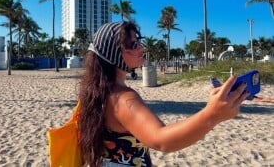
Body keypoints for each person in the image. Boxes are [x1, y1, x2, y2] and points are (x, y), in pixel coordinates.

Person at [78, 21, 249, 167]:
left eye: (139, 42)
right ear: (113, 53)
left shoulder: (98, 92)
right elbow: (161, 140)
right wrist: (212, 115)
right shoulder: (123, 98)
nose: (141, 48)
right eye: (133, 45)